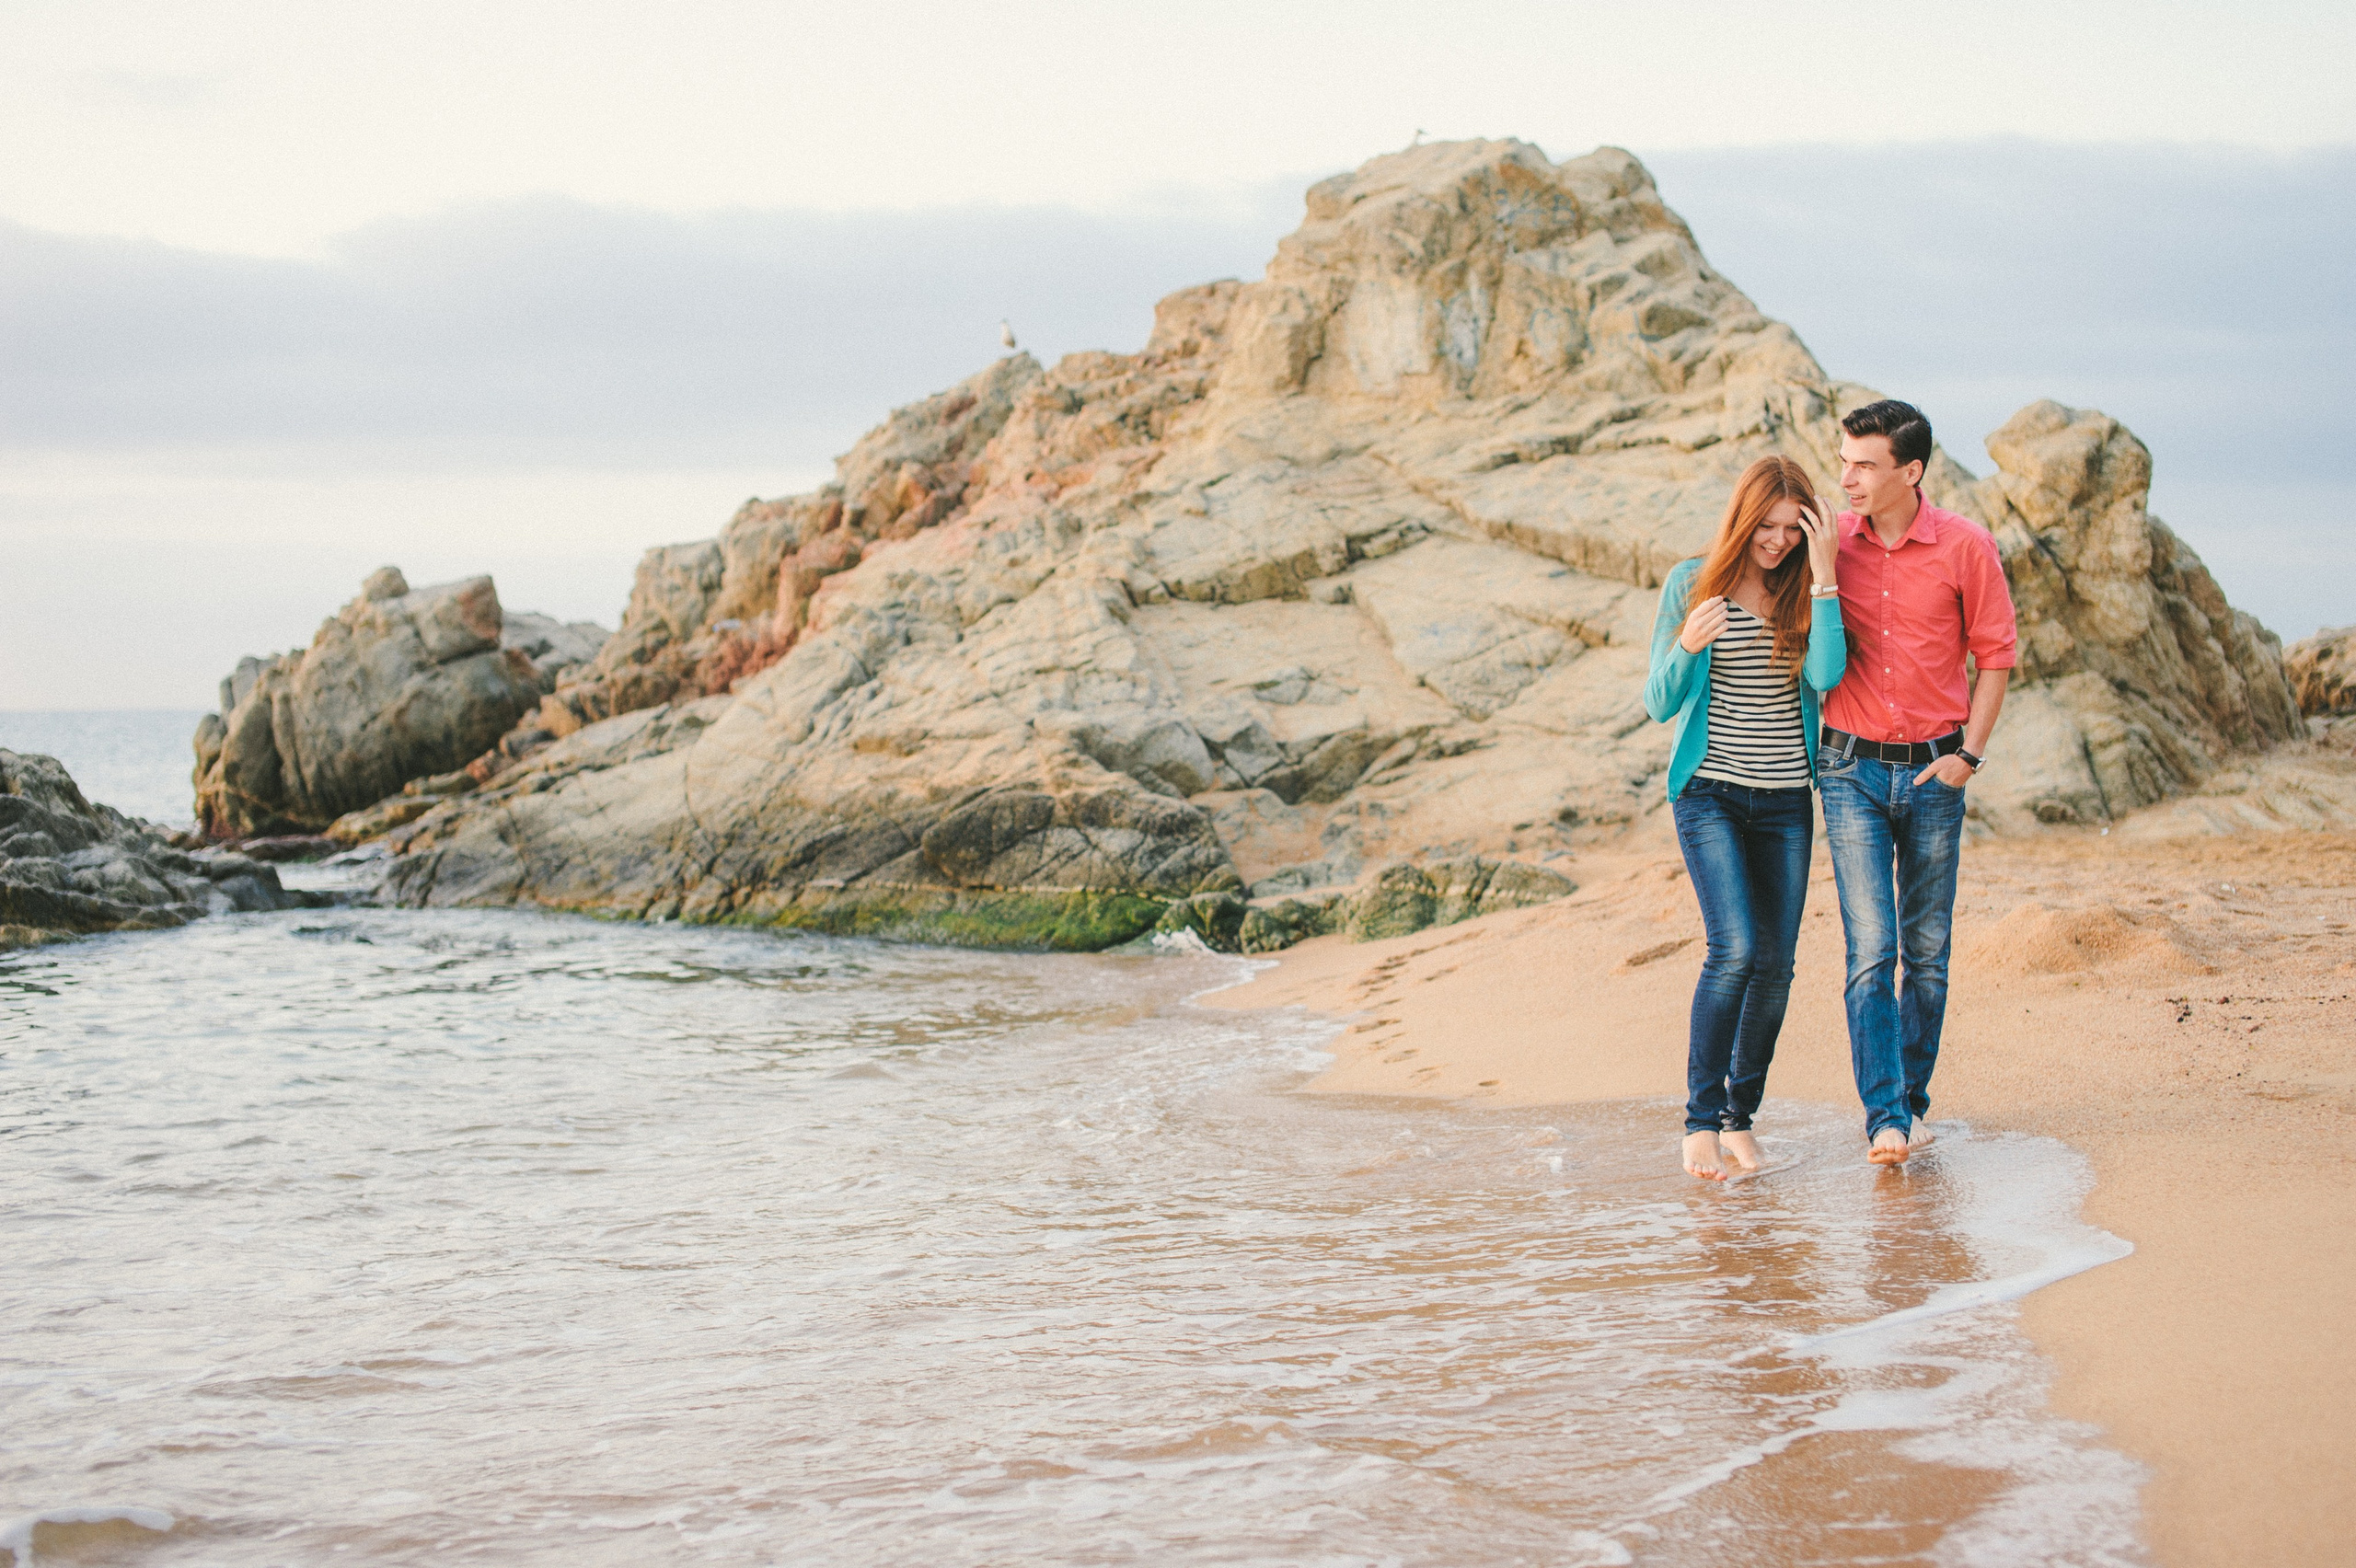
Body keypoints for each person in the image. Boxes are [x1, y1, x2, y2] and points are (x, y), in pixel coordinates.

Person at [1817, 400, 2017, 1165]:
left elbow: (1996, 655)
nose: (1848, 478)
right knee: (1872, 948)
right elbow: (1748, 559)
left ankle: (1913, 1098)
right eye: (1844, 461)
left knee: (1927, 951)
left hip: (1938, 771)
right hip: (1849, 770)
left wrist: (1968, 756)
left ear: (1911, 471)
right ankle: (1886, 1118)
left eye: (1864, 465)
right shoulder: (1831, 541)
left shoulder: (1967, 546)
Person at [1645, 456, 1848, 1182]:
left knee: (1776, 968)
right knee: (1733, 949)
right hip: (1710, 795)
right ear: (1742, 518)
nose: (1778, 542)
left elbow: (1825, 676)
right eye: (1767, 527)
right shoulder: (1688, 583)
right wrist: (1689, 644)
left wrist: (1822, 575)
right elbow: (1659, 702)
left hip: (1788, 800)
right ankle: (1700, 1122)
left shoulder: (1805, 588)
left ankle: (1740, 1118)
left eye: (1793, 530)